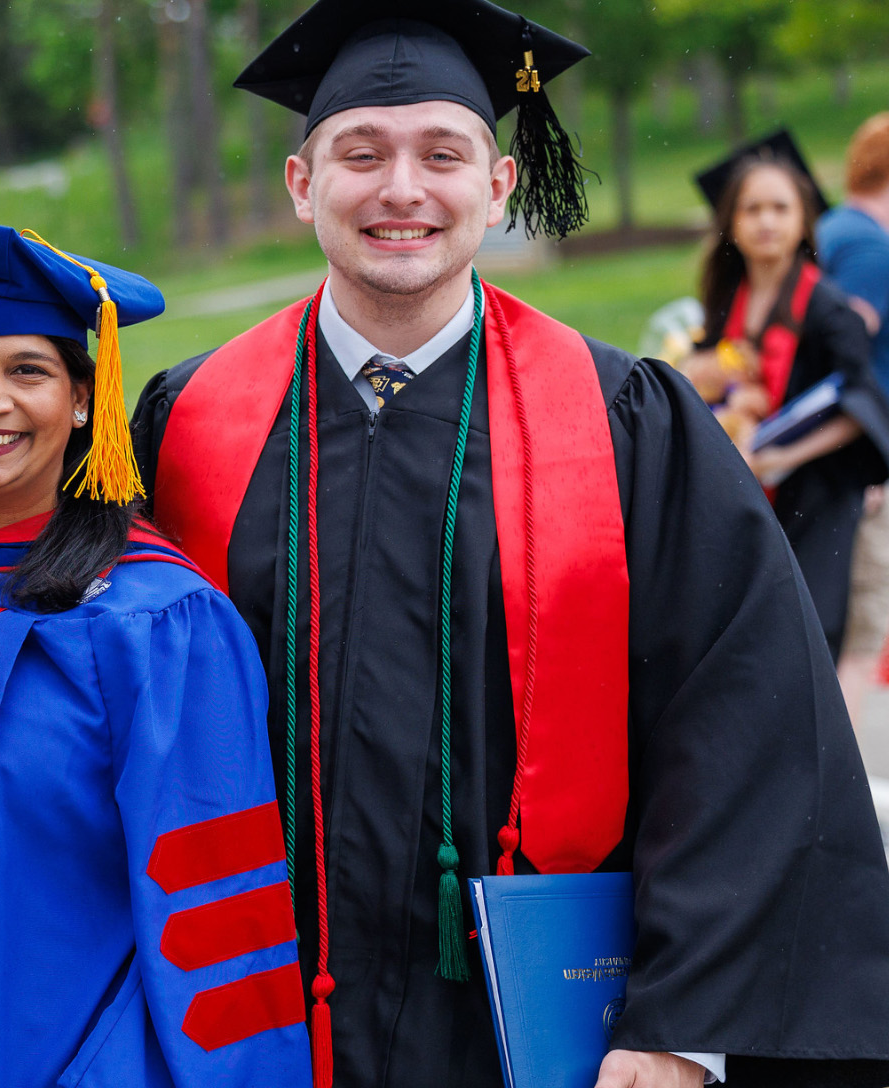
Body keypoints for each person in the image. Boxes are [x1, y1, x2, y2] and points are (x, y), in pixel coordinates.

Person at [131, 3, 889, 1086]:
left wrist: (680, 1020)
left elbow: (745, 719)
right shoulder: (188, 421)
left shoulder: (625, 421)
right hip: (242, 1014)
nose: (402, 189)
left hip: (536, 1032)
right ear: (303, 184)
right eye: (362, 153)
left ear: (496, 186)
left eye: (443, 154)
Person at [0, 220, 313, 1088]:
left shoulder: (156, 623)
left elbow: (219, 905)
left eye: (28, 370)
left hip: (71, 1060)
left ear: (84, 401)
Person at [685, 130, 889, 662]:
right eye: (752, 209)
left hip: (818, 495)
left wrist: (782, 456)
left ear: (803, 220)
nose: (767, 221)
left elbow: (861, 404)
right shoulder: (728, 299)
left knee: (808, 637)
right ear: (732, 221)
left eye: (780, 207)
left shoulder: (827, 306)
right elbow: (703, 380)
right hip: (746, 488)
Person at [817, 114, 889, 716]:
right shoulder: (867, 245)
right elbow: (844, 357)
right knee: (862, 628)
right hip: (862, 467)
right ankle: (832, 778)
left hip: (834, 464)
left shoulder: (833, 228)